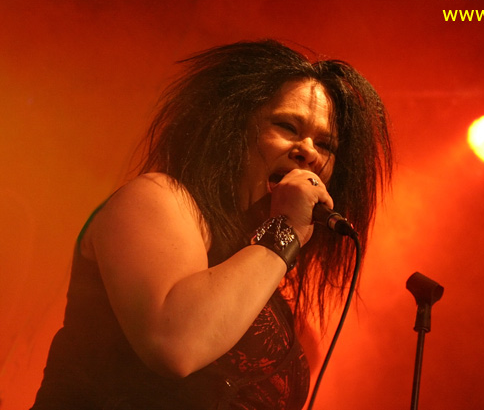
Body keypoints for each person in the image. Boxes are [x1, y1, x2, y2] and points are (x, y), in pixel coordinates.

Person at [31, 39, 392, 410]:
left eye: (326, 145)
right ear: (232, 129)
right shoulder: (157, 198)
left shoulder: (264, 281)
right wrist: (286, 230)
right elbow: (175, 345)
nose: (309, 152)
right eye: (287, 126)